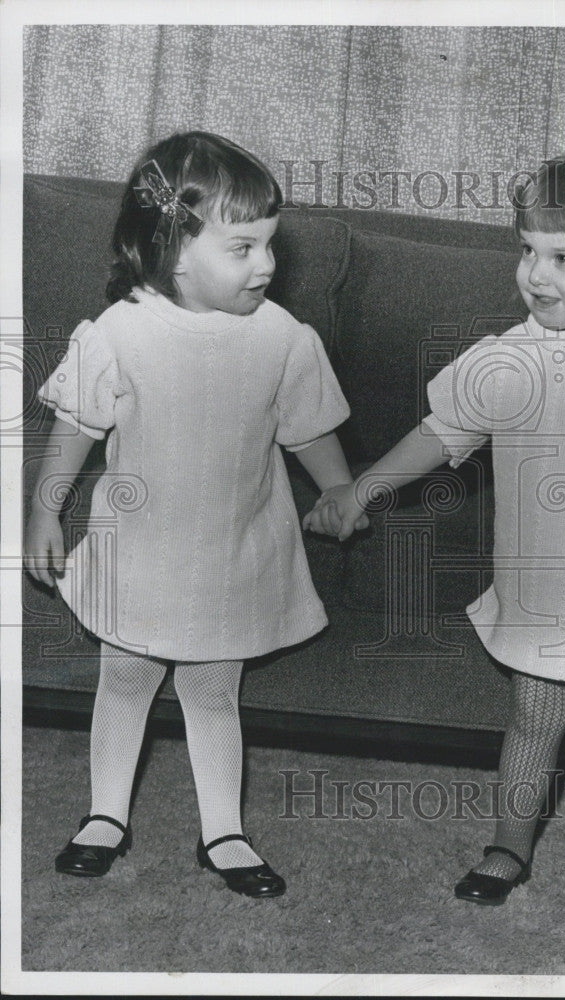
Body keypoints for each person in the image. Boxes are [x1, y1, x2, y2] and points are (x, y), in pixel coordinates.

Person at [304, 148, 565, 918]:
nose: (536, 274)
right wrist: (358, 489)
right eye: (528, 250)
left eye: (563, 256)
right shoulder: (507, 356)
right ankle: (509, 841)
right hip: (541, 591)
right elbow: (441, 431)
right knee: (535, 718)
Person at [24, 130, 364, 898]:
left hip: (231, 551)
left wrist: (341, 493)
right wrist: (46, 514)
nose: (268, 265)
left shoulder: (283, 338)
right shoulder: (121, 331)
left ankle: (224, 831)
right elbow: (76, 425)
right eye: (243, 247)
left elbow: (308, 427)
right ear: (174, 250)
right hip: (141, 549)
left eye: (270, 244)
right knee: (126, 676)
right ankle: (105, 814)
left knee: (213, 690)